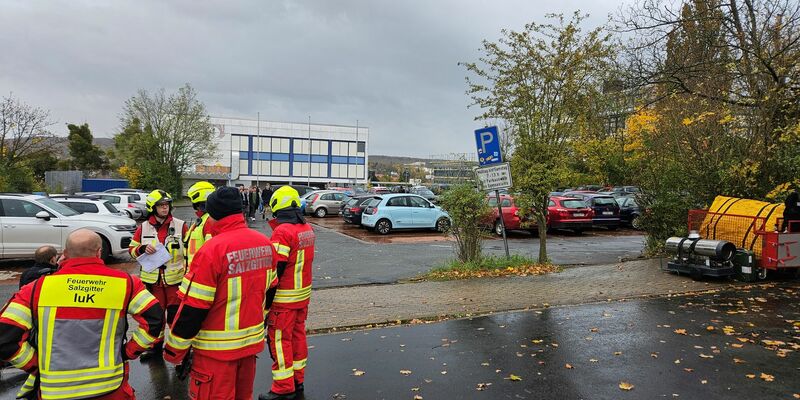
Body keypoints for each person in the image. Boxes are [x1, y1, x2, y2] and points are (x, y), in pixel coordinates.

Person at [0, 229, 164, 399]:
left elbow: (5, 338)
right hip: (110, 386)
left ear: (65, 254)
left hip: (56, 391)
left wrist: (35, 364)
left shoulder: (35, 289)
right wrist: (128, 352)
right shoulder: (126, 283)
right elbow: (155, 320)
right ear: (99, 253)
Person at [165, 186, 278, 400]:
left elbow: (193, 308)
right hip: (250, 346)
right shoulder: (265, 244)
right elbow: (271, 290)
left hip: (215, 353)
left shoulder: (211, 250)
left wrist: (174, 350)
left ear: (213, 214)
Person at [259, 186, 316, 400]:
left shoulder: (282, 232)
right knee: (298, 337)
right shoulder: (306, 229)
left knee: (280, 341)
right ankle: (297, 379)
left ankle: (283, 388)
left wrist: (265, 304)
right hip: (302, 296)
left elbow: (277, 271)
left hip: (284, 299)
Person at [128, 189, 187, 358]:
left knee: (176, 318)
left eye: (167, 205)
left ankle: (178, 351)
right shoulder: (143, 228)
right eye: (161, 206)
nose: (164, 209)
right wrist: (141, 249)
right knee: (156, 318)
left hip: (175, 282)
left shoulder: (181, 225)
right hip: (152, 283)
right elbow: (131, 250)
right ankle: (155, 347)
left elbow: (189, 252)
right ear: (152, 208)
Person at [183, 181, 216, 272]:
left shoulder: (209, 221)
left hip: (199, 275)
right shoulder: (204, 219)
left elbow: (211, 254)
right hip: (194, 273)